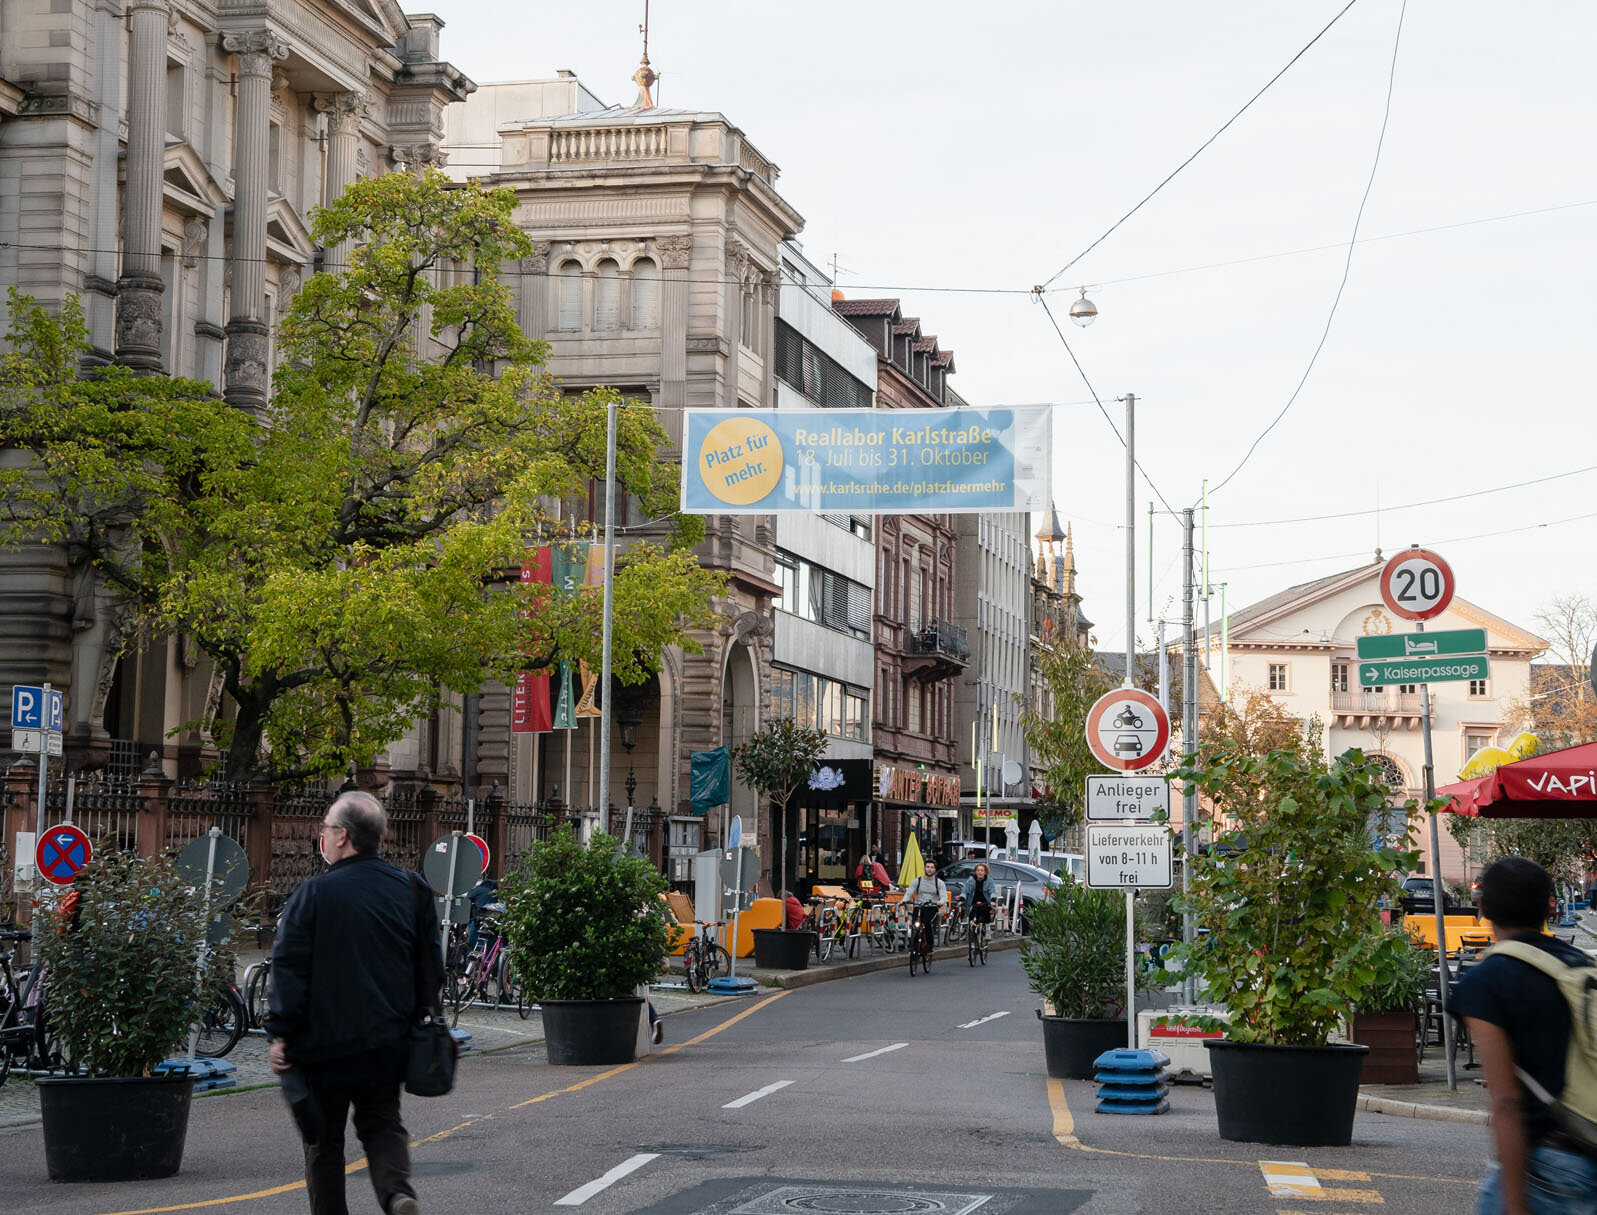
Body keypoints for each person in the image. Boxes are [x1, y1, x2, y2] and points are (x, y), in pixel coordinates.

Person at [267, 791, 438, 1215]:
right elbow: (430, 964)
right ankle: (397, 1193)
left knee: (323, 1143)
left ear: (342, 837)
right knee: (382, 1124)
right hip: (386, 1040)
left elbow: (289, 967)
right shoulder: (411, 891)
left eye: (325, 828)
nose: (320, 835)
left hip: (322, 1046)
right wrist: (418, 1015)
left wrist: (281, 1033)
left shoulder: (313, 894)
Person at [1453, 856, 1597, 1215]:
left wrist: (1514, 1204)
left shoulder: (1488, 981)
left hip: (1548, 1168)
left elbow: (1506, 1102)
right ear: (1549, 905)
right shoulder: (1580, 965)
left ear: (1482, 907)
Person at [899, 860, 947, 958]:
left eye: (932, 867)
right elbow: (910, 892)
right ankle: (913, 945)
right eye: (928, 867)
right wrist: (903, 900)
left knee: (927, 923)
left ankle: (930, 945)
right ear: (924, 868)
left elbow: (943, 896)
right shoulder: (918, 880)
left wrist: (940, 902)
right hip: (919, 905)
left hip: (931, 906)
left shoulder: (939, 882)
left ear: (935, 869)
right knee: (915, 925)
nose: (929, 869)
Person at [962, 862, 998, 935]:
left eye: (982, 870)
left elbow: (992, 891)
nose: (980, 872)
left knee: (985, 911)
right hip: (972, 902)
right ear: (975, 871)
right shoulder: (971, 880)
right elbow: (965, 890)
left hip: (985, 902)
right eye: (978, 870)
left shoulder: (989, 880)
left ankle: (988, 930)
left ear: (985, 872)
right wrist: (962, 899)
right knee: (971, 915)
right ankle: (970, 932)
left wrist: (993, 900)